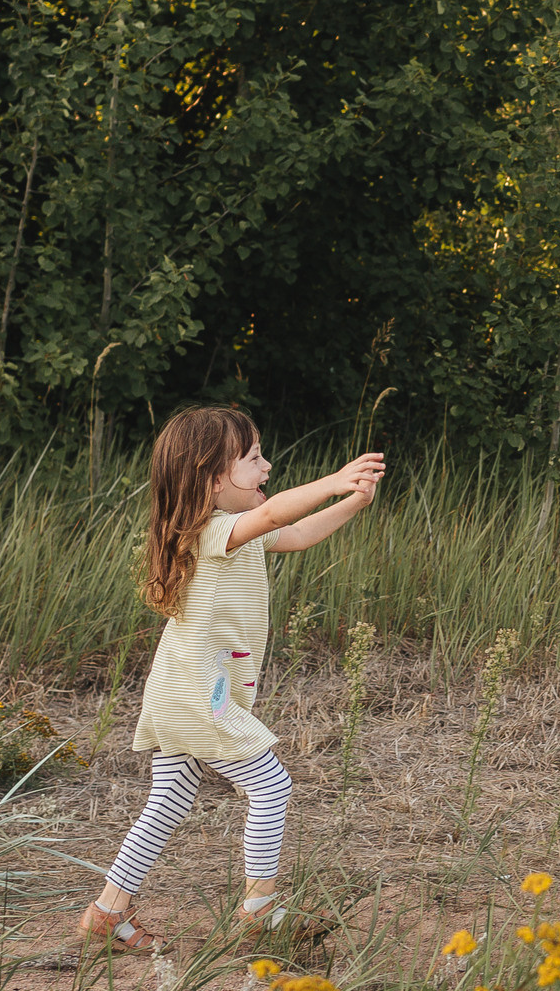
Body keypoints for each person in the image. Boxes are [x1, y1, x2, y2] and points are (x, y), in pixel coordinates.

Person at [78, 406, 385, 952]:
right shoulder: (211, 531)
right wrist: (333, 480)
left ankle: (107, 912)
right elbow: (273, 516)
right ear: (213, 479)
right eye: (254, 458)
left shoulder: (233, 534)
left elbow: (296, 533)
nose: (266, 467)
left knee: (169, 799)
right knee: (271, 785)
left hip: (183, 690)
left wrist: (353, 502)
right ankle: (260, 910)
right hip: (198, 695)